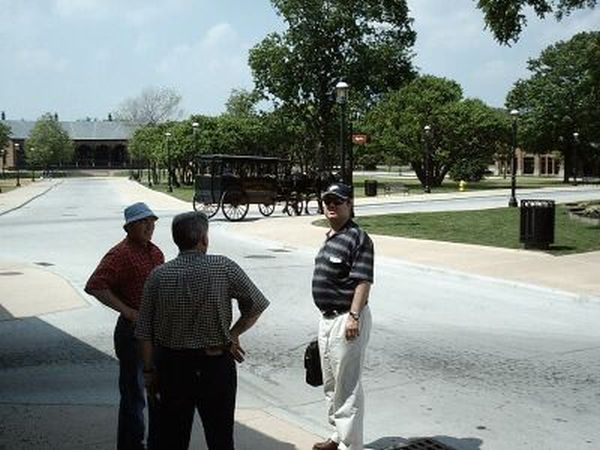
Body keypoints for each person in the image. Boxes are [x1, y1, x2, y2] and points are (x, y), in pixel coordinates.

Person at [135, 211, 270, 450]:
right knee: (220, 437)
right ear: (204, 239)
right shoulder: (223, 266)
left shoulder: (158, 275)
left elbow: (144, 330)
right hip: (215, 364)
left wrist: (148, 371)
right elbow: (256, 304)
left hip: (172, 367)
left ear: (176, 239)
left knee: (173, 439)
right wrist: (232, 334)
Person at [85, 202, 164, 450]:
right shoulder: (120, 254)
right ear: (129, 227)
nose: (149, 226)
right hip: (132, 334)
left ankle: (157, 442)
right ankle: (131, 445)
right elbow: (95, 285)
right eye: (143, 222)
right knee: (134, 394)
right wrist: (127, 311)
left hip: (156, 332)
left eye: (151, 221)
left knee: (157, 389)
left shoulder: (155, 252)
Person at [311, 182, 374, 450]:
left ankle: (350, 445)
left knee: (346, 386)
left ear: (350, 204)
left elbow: (363, 281)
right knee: (331, 383)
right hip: (327, 319)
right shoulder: (331, 236)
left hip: (346, 319)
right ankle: (337, 435)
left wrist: (354, 316)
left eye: (337, 201)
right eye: (327, 201)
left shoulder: (359, 238)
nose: (331, 206)